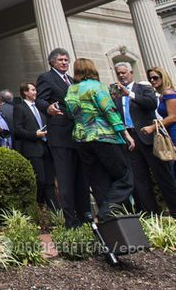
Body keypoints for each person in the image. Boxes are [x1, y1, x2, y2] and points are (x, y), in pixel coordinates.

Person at [64, 58, 134, 221]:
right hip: (104, 136)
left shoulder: (71, 90)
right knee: (125, 177)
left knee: (99, 181)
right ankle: (105, 213)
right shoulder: (97, 86)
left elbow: (71, 114)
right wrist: (125, 134)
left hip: (82, 139)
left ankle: (109, 225)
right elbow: (109, 110)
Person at [36, 48, 90, 227]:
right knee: (65, 178)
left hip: (78, 135)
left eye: (66, 60)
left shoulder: (74, 81)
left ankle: (86, 216)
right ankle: (71, 221)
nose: (64, 63)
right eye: (60, 60)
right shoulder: (46, 78)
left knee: (81, 178)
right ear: (52, 62)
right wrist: (48, 108)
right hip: (60, 135)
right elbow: (40, 101)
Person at [113, 62, 176, 215]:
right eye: (118, 73)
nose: (121, 76)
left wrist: (130, 95)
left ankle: (174, 210)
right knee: (140, 180)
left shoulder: (143, 88)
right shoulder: (116, 95)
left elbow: (151, 104)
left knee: (163, 176)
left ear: (131, 73)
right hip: (130, 140)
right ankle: (151, 215)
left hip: (149, 136)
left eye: (124, 73)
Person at [13, 82, 58, 209]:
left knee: (50, 181)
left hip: (46, 147)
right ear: (25, 92)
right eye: (33, 90)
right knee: (40, 180)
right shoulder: (20, 108)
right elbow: (18, 129)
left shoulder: (39, 107)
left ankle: (55, 211)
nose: (35, 92)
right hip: (32, 149)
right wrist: (34, 134)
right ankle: (38, 207)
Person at [141, 67, 176, 146]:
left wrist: (152, 127)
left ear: (163, 78)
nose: (152, 80)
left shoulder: (169, 93)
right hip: (169, 130)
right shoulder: (163, 95)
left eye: (155, 78)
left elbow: (173, 117)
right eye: (150, 78)